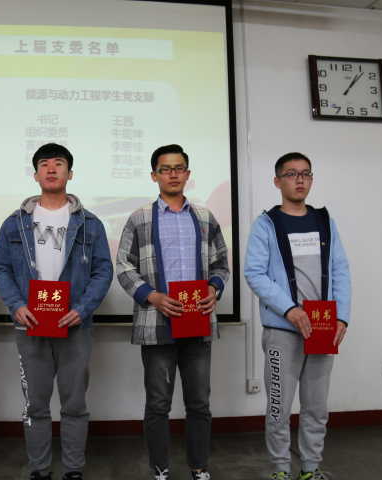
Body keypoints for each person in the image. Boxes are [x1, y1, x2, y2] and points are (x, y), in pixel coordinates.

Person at [0, 143, 113, 480]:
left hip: (75, 326)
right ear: (35, 175)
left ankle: (73, 470)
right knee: (36, 405)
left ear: (69, 173)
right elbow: (1, 269)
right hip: (30, 325)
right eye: (44, 164)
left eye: (58, 163)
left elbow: (103, 271)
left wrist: (82, 309)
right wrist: (16, 305)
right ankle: (40, 470)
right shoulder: (14, 223)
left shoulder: (90, 224)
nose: (51, 169)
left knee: (74, 404)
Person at [115, 144, 230, 480]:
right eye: (165, 169)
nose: (173, 174)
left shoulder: (205, 217)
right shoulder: (140, 218)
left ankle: (199, 467)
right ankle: (160, 469)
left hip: (198, 323)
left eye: (179, 168)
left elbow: (222, 264)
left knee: (199, 403)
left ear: (188, 174)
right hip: (157, 324)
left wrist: (213, 289)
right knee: (158, 404)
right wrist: (152, 296)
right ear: (154, 176)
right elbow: (123, 266)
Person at [244, 152, 351, 480]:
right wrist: (290, 309)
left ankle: (310, 468)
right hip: (282, 331)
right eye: (291, 174)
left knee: (316, 406)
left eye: (305, 173)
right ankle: (280, 470)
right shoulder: (266, 224)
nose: (299, 179)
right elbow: (254, 273)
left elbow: (340, 270)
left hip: (322, 328)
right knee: (279, 406)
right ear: (277, 181)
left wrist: (342, 316)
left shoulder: (324, 222)